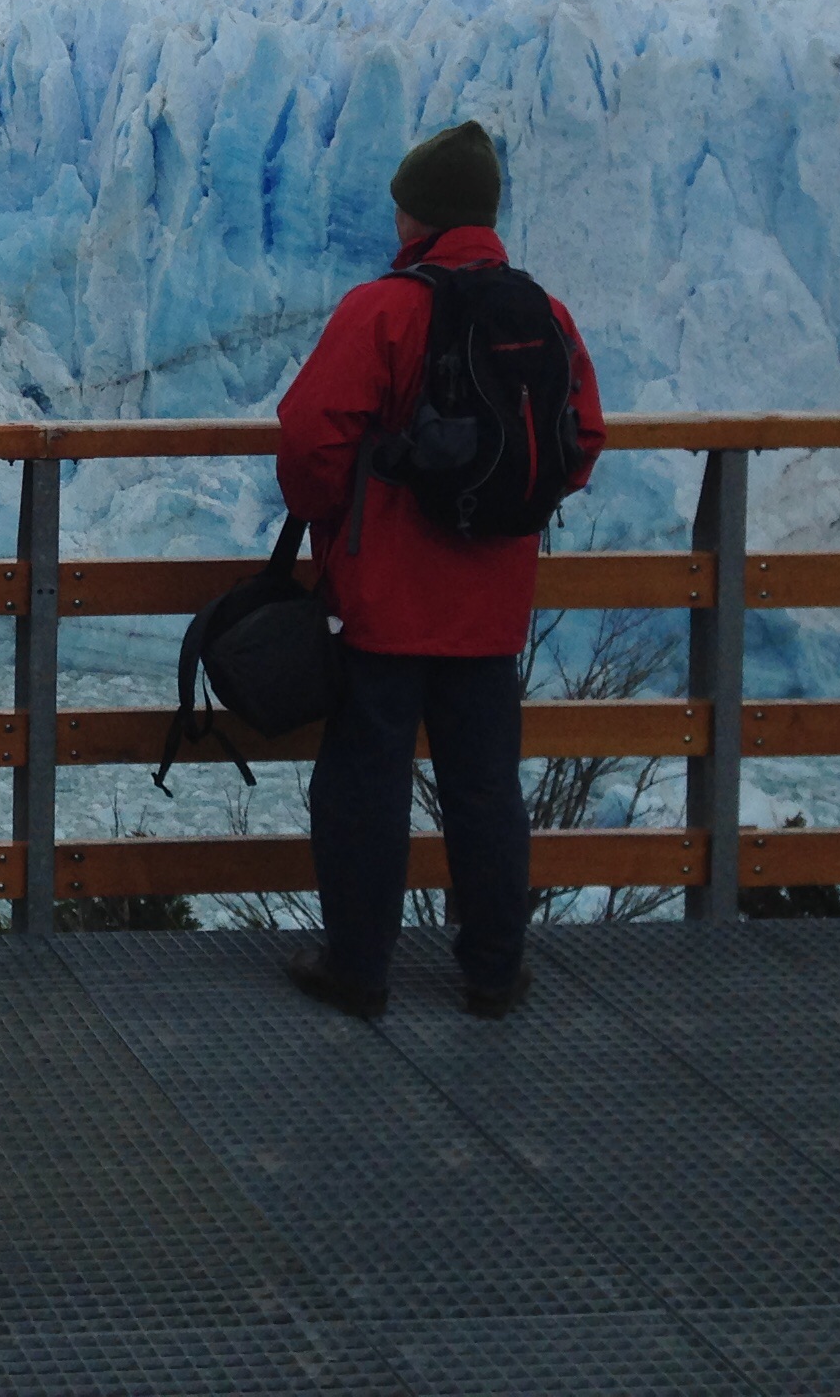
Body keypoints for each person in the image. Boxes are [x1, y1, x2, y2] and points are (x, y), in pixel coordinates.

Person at [274, 121, 604, 1021]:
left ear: (418, 214)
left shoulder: (382, 310)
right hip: (491, 610)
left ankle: (358, 968)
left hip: (384, 600)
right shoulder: (545, 315)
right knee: (487, 789)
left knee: (365, 785)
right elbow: (582, 441)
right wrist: (507, 511)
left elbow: (309, 440)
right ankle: (494, 972)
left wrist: (338, 516)